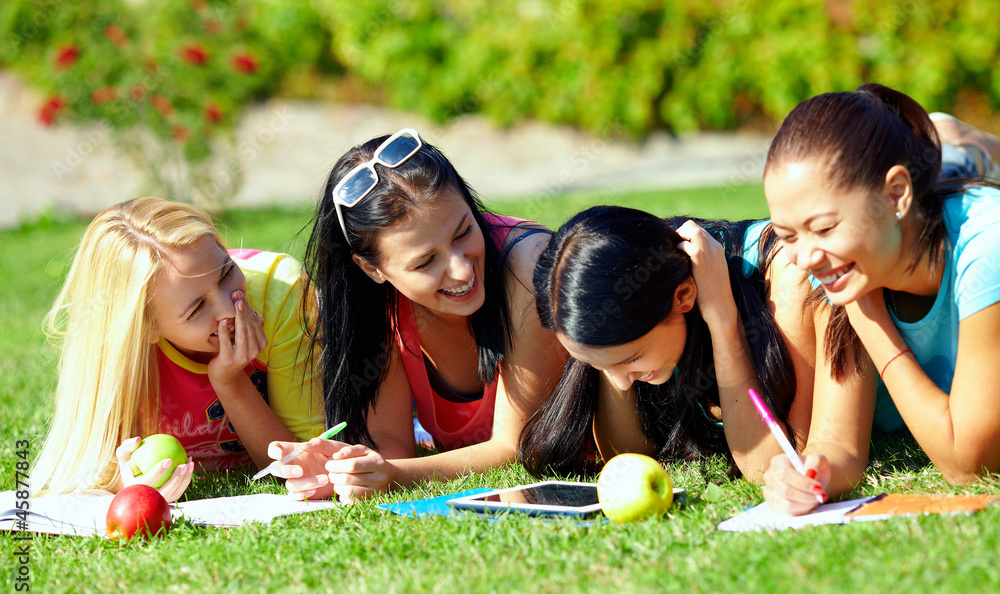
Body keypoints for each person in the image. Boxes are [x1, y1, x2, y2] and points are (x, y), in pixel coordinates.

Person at [269, 128, 566, 501]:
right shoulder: (381, 305)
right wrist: (349, 467)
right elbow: (391, 444)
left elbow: (518, 450)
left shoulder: (527, 266)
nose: (460, 269)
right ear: (371, 269)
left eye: (463, 233)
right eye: (426, 261)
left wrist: (395, 476)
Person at [761, 83, 1000, 515]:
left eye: (824, 227)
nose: (807, 257)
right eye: (787, 234)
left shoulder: (987, 247)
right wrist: (810, 473)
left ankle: (961, 146)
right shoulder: (841, 268)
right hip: (913, 212)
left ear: (895, 195)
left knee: (959, 176)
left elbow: (971, 466)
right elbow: (837, 442)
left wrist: (868, 315)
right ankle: (952, 149)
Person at [30, 197, 324, 501]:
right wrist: (124, 482)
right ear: (145, 327)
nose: (229, 309)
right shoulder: (116, 345)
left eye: (226, 273)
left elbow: (302, 462)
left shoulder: (283, 292)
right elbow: (91, 467)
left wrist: (230, 382)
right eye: (197, 308)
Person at [519, 205, 822, 481]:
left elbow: (771, 465)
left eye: (630, 358)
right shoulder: (648, 289)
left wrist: (722, 320)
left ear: (683, 296)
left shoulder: (788, 274)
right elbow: (629, 456)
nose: (623, 386)